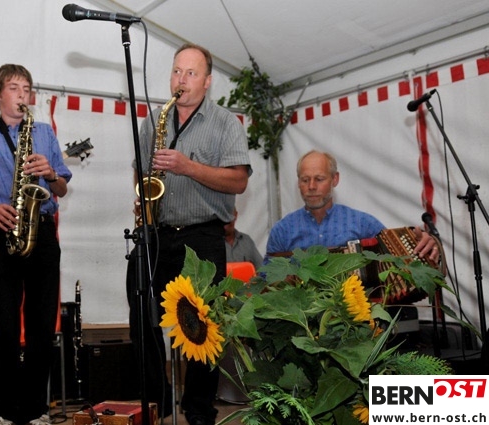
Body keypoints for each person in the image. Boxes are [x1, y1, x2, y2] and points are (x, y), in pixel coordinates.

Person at [127, 43, 251, 425]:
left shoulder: (226, 123)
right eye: (177, 71)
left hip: (202, 235)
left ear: (208, 81)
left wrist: (188, 167)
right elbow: (139, 168)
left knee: (202, 326)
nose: (181, 80)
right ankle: (157, 402)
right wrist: (143, 198)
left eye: (191, 73)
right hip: (157, 232)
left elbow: (239, 181)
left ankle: (198, 410)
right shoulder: (154, 120)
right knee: (140, 312)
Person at [0, 64, 71, 425]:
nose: (22, 95)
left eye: (26, 89)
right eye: (14, 88)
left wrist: (51, 173)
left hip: (42, 232)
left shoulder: (44, 132)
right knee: (4, 327)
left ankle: (36, 410)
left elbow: (62, 187)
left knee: (41, 326)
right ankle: (5, 410)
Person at [265, 149, 439, 261]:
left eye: (319, 179)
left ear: (335, 179)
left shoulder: (363, 223)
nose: (311, 186)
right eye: (305, 180)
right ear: (298, 183)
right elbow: (266, 281)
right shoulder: (282, 231)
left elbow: (398, 257)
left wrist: (421, 245)